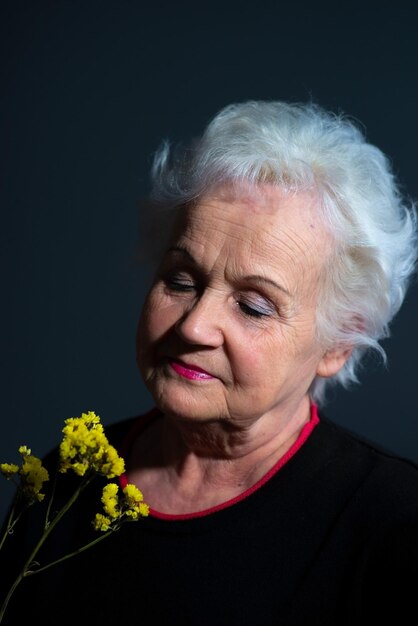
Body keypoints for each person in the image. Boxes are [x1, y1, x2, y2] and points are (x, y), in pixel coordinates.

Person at [2, 99, 418, 626]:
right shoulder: (64, 476)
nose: (194, 326)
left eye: (252, 305)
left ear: (339, 344)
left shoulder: (395, 525)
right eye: (181, 280)